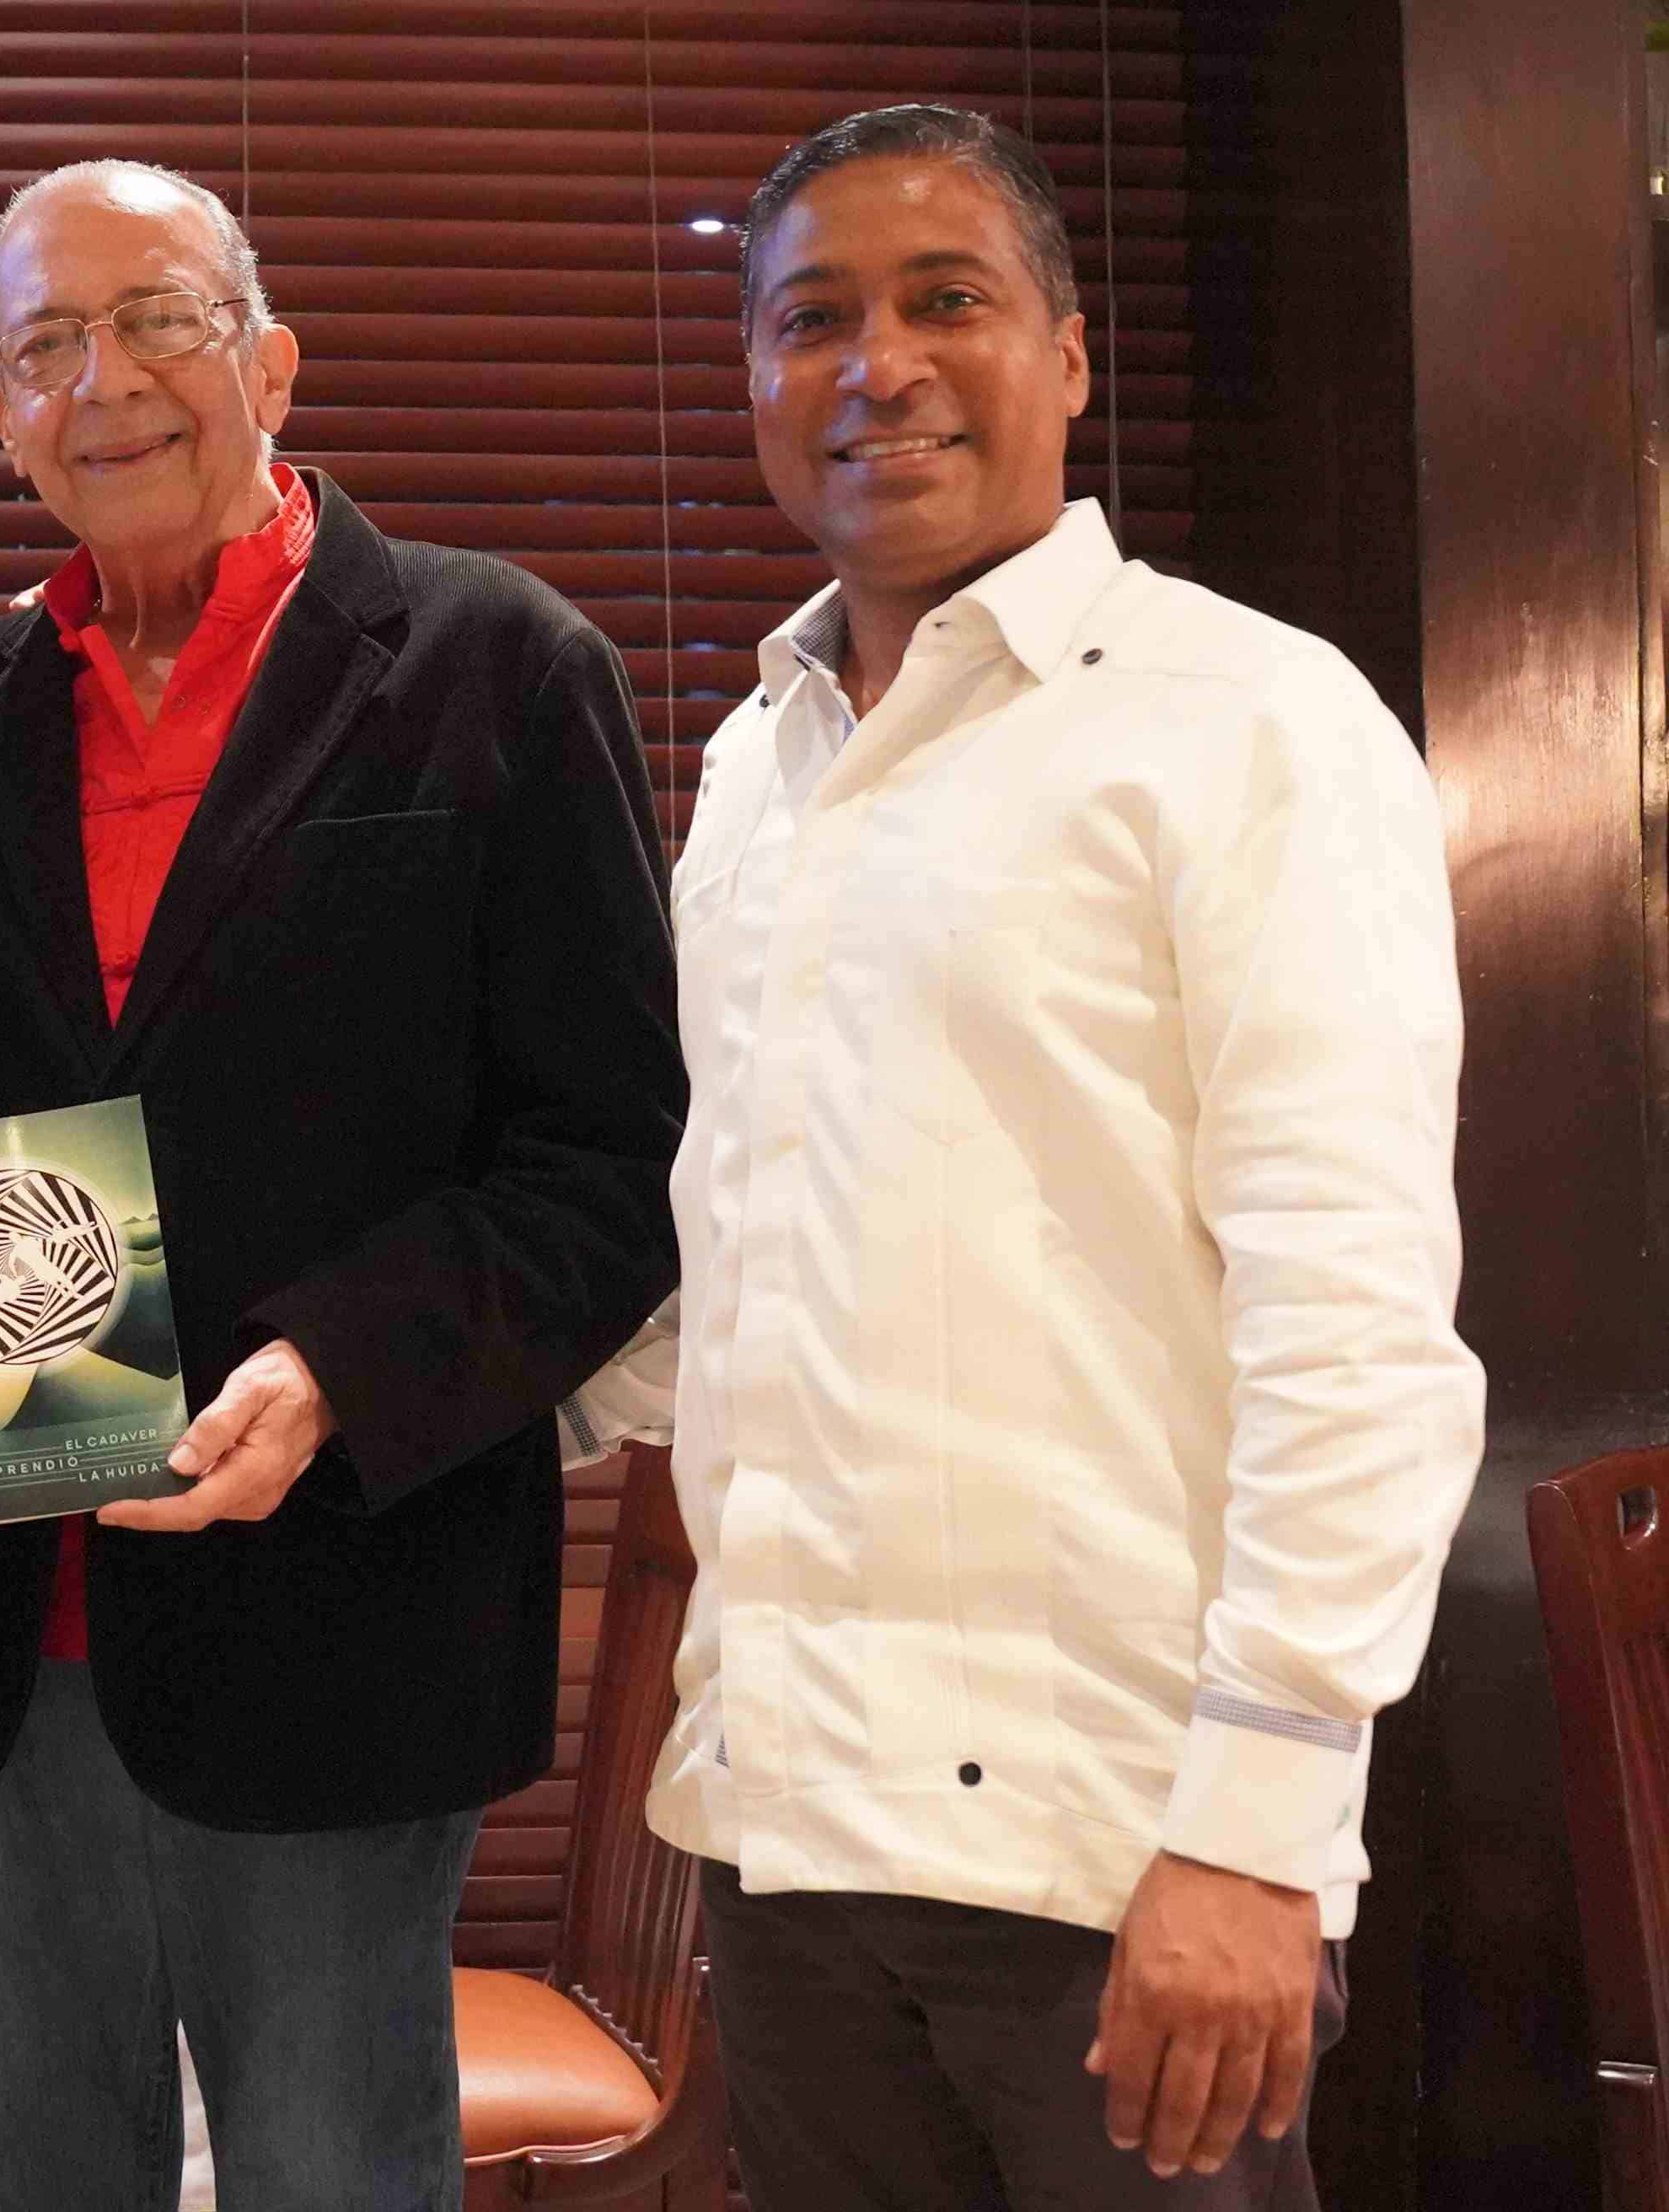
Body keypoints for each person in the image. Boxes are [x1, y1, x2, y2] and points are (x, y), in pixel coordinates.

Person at [0, 160, 684, 2212]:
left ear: (269, 356)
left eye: (157, 321)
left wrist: (334, 1376)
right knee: (32, 2165)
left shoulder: (494, 665)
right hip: (4, 1608)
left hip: (343, 1620)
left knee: (327, 2175)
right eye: (40, 347)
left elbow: (602, 1172)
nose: (100, 383)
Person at [631, 104, 1484, 2209]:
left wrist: (1260, 1827)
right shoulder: (758, 766)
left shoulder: (1249, 722)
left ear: (1073, 353)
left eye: (949, 302)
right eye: (810, 318)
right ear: (751, 375)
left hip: (1120, 1861)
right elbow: (717, 1269)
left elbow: (1354, 1314)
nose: (876, 365)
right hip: (793, 1836)